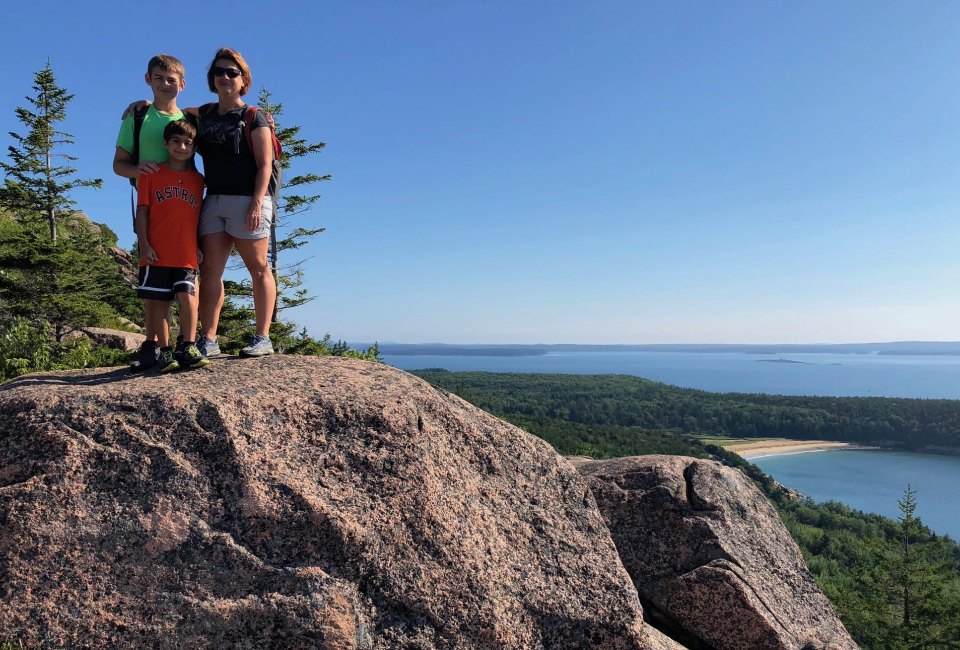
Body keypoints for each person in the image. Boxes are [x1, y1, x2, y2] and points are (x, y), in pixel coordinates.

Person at [193, 48, 276, 358]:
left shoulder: (254, 118)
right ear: (212, 79)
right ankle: (209, 339)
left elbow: (265, 165)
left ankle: (263, 337)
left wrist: (256, 203)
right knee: (210, 270)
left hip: (248, 200)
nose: (225, 77)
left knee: (258, 268)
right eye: (219, 72)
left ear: (244, 80)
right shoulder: (204, 113)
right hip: (213, 200)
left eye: (232, 72)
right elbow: (171, 112)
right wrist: (145, 104)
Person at [114, 54, 189, 372]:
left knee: (183, 280)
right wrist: (137, 168)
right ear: (148, 79)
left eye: (171, 79)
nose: (165, 84)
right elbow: (118, 165)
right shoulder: (138, 116)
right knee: (153, 278)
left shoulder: (189, 118)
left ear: (182, 84)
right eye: (158, 78)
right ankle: (155, 345)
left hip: (182, 206)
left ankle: (180, 345)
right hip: (149, 206)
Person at [134, 119, 208, 373]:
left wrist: (198, 245)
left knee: (188, 297)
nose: (182, 146)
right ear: (166, 143)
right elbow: (141, 212)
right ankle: (164, 351)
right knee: (159, 303)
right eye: (176, 141)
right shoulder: (150, 174)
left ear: (194, 148)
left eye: (188, 143)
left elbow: (197, 217)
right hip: (156, 252)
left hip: (186, 252)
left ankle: (188, 344)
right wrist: (143, 244)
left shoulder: (199, 181)